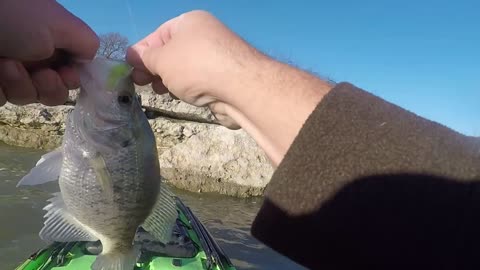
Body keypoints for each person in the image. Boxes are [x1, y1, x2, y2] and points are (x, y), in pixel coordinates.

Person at [1, 2, 479, 269]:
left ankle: (116, 246)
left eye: (127, 103)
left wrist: (238, 78)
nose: (123, 99)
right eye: (129, 103)